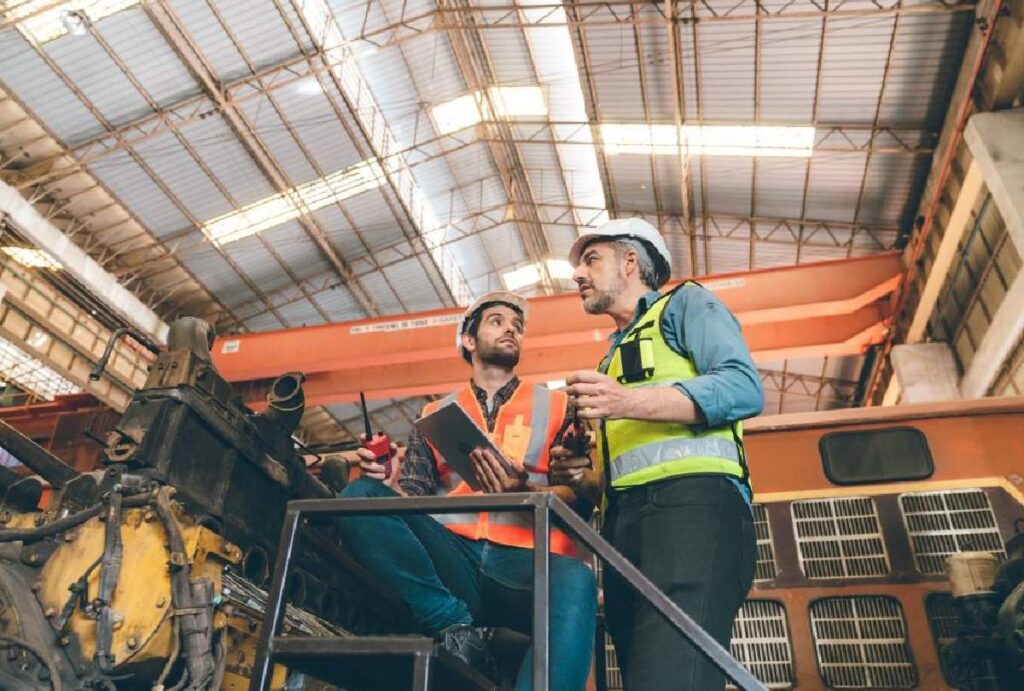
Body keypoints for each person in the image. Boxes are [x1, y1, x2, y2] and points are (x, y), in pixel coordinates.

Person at [338, 291, 597, 691]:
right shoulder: (433, 415)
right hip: (454, 559)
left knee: (577, 581)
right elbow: (413, 498)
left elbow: (580, 501)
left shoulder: (560, 408)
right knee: (357, 499)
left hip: (528, 565)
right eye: (497, 321)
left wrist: (527, 488)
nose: (511, 328)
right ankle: (452, 624)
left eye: (518, 326)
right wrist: (383, 478)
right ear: (469, 341)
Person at [555, 218, 763, 691]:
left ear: (631, 261)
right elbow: (629, 465)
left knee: (668, 677)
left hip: (692, 511)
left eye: (591, 259)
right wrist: (582, 477)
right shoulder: (611, 359)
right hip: (624, 527)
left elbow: (743, 387)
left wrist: (625, 402)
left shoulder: (686, 304)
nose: (578, 275)